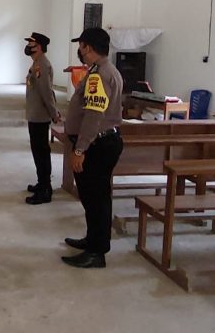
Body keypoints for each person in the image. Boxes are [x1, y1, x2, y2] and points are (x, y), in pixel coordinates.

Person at [62, 28, 124, 268]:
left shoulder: (99, 75)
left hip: (97, 144)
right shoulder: (106, 70)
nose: (79, 51)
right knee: (93, 197)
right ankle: (93, 239)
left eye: (80, 46)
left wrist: (80, 149)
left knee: (95, 198)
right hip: (101, 141)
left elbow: (94, 115)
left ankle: (96, 252)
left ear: (87, 47)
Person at [23, 32, 60, 205]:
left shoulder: (42, 65)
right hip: (35, 115)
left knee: (41, 153)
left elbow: (47, 92)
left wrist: (54, 113)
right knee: (38, 152)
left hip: (40, 117)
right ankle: (42, 183)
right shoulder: (37, 63)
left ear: (38, 46)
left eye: (31, 43)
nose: (28, 47)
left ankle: (45, 189)